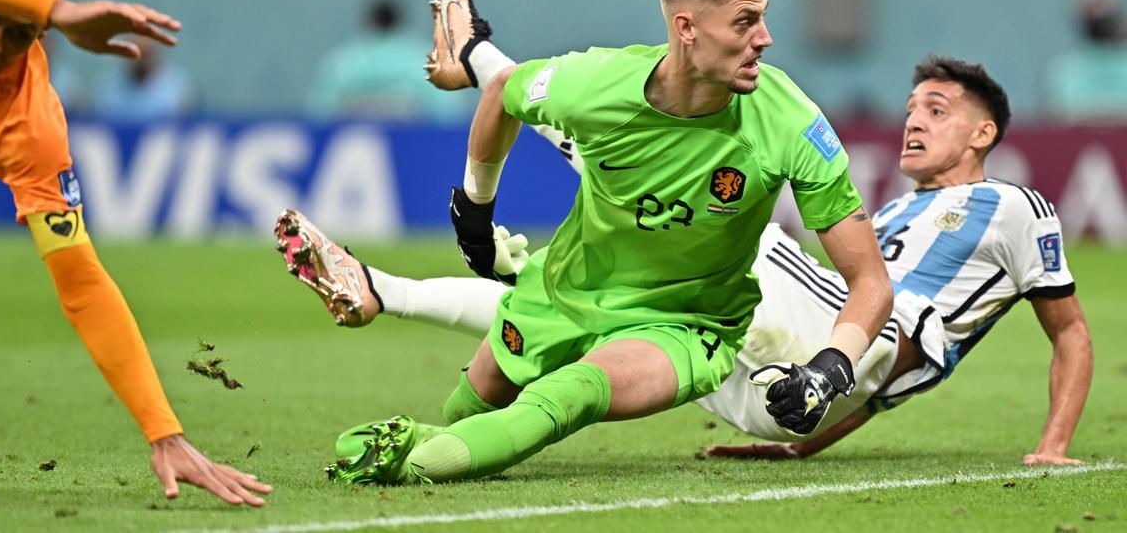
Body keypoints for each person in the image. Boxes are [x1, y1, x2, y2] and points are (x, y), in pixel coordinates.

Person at [278, 50, 1091, 466]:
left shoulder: (1016, 208)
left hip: (844, 337)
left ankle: (493, 65)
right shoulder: (900, 208)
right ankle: (384, 286)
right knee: (610, 312)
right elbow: (863, 374)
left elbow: (1070, 334)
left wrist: (1054, 444)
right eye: (912, 108)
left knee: (688, 215)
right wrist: (790, 440)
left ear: (984, 133)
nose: (915, 122)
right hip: (790, 375)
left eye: (939, 111)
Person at [278, 0, 894, 485]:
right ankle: (467, 49)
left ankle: (411, 455)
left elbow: (870, 281)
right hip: (564, 291)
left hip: (685, 322)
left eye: (764, 18)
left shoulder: (792, 123)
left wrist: (829, 367)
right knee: (470, 412)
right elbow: (505, 92)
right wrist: (473, 206)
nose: (765, 38)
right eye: (746, 21)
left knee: (571, 392)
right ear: (686, 27)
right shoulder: (598, 84)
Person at [0, 0, 270, 505]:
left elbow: (82, 283)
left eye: (17, 35)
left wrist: (164, 429)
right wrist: (57, 11)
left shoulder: (30, 124)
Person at [305, 0, 470, 122]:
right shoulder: (426, 62)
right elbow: (448, 116)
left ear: (370, 21)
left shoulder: (342, 64)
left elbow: (319, 117)